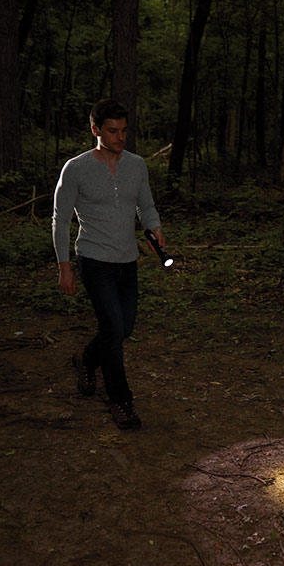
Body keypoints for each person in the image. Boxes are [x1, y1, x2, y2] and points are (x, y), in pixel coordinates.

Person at [52, 98, 165, 430]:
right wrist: (64, 266)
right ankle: (122, 401)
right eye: (112, 131)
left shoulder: (137, 165)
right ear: (95, 130)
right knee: (114, 330)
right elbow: (60, 221)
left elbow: (146, 204)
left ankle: (86, 360)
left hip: (127, 262)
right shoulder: (76, 169)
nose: (120, 137)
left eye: (124, 130)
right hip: (94, 261)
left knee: (123, 328)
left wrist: (154, 226)